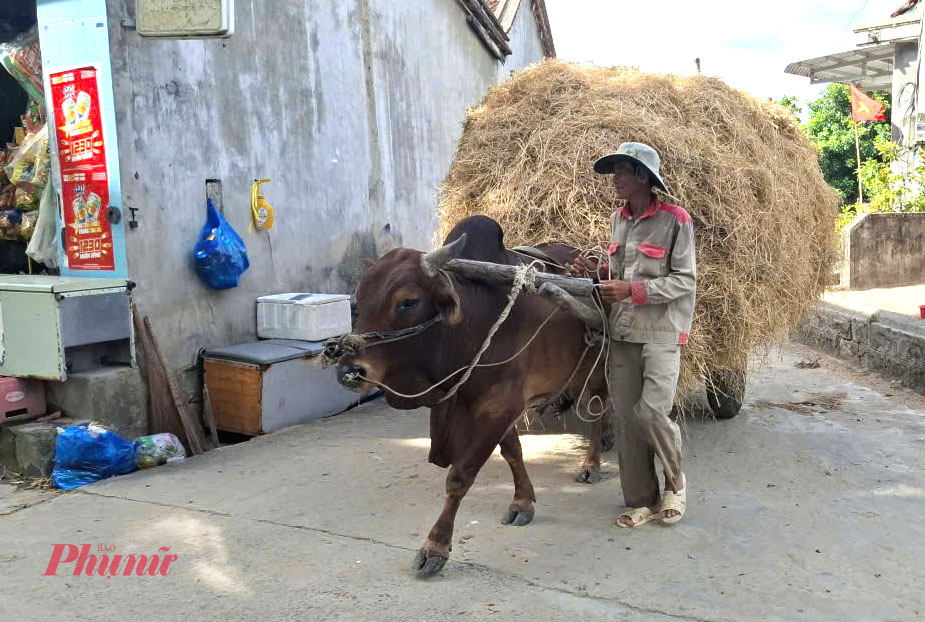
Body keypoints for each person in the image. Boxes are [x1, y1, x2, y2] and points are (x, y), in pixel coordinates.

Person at [571, 142, 696, 528]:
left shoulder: (676, 220)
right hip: (623, 332)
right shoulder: (617, 220)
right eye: (613, 172)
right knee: (625, 418)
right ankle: (641, 500)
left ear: (643, 176)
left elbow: (685, 281)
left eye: (622, 171)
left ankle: (675, 483)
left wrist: (633, 291)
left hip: (662, 332)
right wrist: (593, 274)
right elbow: (615, 276)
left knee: (650, 412)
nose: (616, 179)